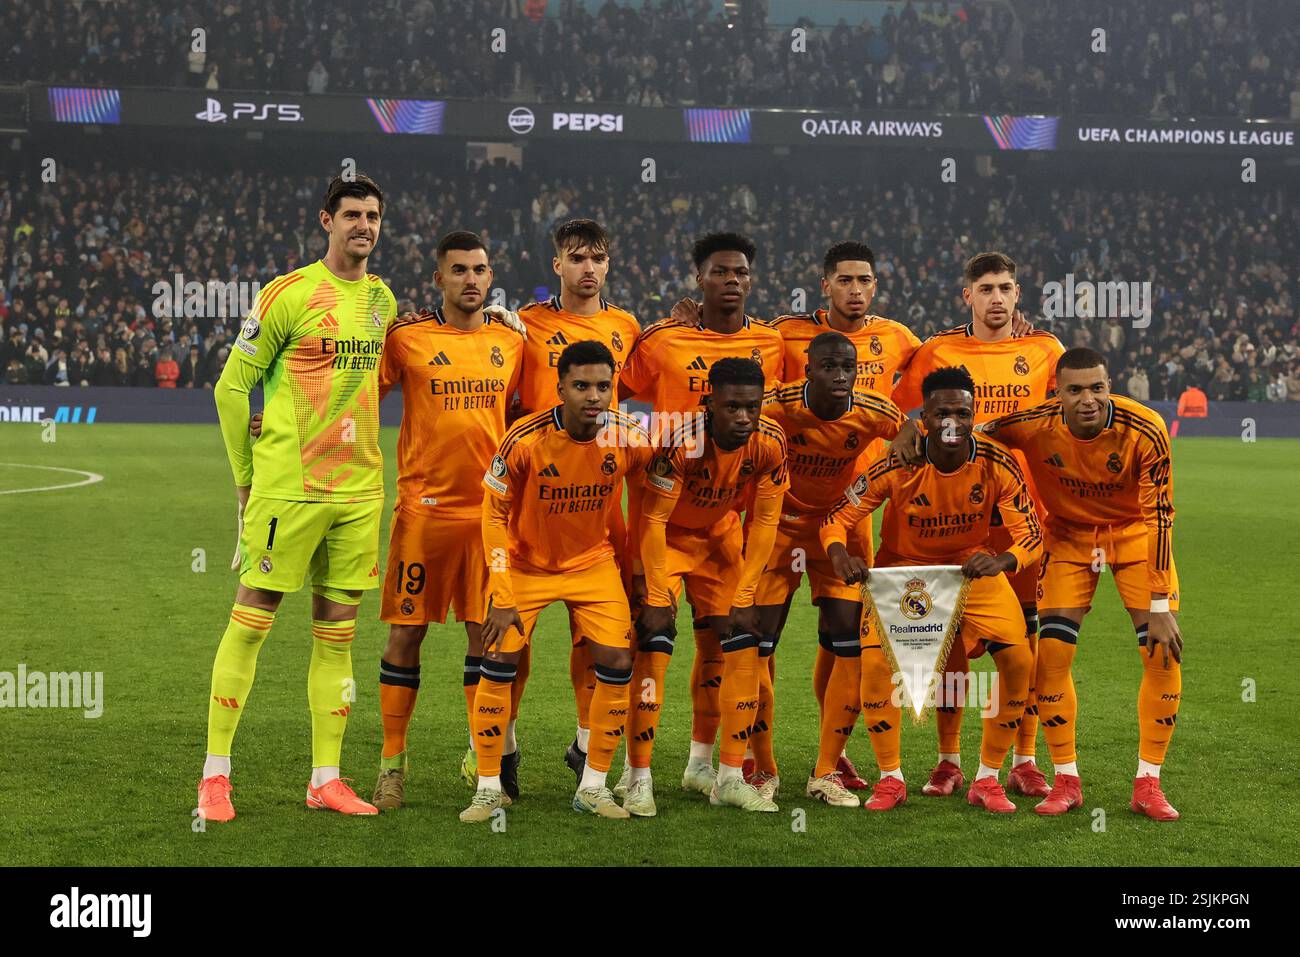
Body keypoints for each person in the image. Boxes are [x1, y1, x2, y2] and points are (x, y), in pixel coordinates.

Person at [195, 173, 397, 822]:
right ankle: (215, 775)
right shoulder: (290, 293)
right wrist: (246, 480)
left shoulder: (383, 301)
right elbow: (231, 389)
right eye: (352, 215)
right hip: (291, 488)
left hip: (361, 491)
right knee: (251, 622)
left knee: (338, 638)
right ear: (325, 221)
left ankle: (326, 778)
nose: (363, 225)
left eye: (373, 215)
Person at [821, 366, 1041, 812]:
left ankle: (987, 777)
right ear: (924, 417)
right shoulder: (898, 463)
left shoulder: (996, 462)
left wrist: (1002, 560)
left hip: (970, 572)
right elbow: (836, 519)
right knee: (876, 669)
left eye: (962, 413)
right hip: (904, 575)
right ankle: (890, 778)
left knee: (1019, 660)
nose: (952, 423)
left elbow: (1031, 535)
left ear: (974, 413)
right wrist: (840, 556)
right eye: (942, 413)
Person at [890, 251, 1064, 800]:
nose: (996, 297)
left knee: (1023, 644)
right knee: (949, 649)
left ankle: (1024, 757)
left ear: (1018, 294)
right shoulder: (938, 351)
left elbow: (1063, 420)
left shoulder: (1045, 350)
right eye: (985, 288)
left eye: (1005, 287)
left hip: (1020, 523)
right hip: (953, 519)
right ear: (967, 294)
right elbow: (900, 416)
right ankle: (948, 761)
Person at [982, 347, 1183, 820]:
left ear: (1109, 386)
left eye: (1097, 387)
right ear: (1058, 393)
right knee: (1051, 656)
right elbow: (978, 432)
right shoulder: (1034, 424)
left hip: (1135, 537)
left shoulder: (1146, 429)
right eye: (1075, 390)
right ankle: (1066, 779)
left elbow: (1159, 517)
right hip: (1069, 538)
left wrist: (1159, 602)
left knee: (1161, 648)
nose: (1088, 398)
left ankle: (1148, 784)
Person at [617, 232, 784, 796]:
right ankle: (633, 774)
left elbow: (776, 408)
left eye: (740, 272)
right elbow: (608, 387)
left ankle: (703, 765)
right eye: (719, 272)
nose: (731, 280)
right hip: (660, 516)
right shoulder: (663, 338)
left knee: (727, 646)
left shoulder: (772, 342)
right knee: (652, 646)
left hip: (721, 525)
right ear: (699, 278)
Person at [462, 340, 652, 822]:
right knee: (499, 655)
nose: (594, 396)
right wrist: (501, 594)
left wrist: (648, 575)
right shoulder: (524, 438)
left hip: (592, 564)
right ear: (560, 388)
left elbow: (662, 483)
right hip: (526, 566)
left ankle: (593, 786)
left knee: (616, 659)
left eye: (604, 387)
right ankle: (487, 787)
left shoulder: (630, 437)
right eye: (582, 386)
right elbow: (493, 515)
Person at [368, 231, 525, 810]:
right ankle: (392, 766)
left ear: (491, 276)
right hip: (423, 515)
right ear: (439, 278)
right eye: (458, 270)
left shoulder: (511, 342)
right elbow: (357, 395)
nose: (470, 279)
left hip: (487, 516)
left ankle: (482, 760)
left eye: (479, 269)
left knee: (487, 638)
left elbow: (533, 410)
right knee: (406, 633)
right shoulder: (407, 338)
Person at [512, 219, 643, 784]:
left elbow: (626, 398)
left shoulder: (627, 326)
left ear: (609, 264)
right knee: (512, 639)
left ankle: (588, 740)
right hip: (531, 502)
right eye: (575, 257)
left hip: (598, 503)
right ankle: (504, 744)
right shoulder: (525, 324)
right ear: (556, 266)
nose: (587, 268)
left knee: (599, 635)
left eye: (597, 258)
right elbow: (504, 397)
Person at [757, 331, 908, 806]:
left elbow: (905, 429)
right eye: (829, 366)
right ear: (808, 369)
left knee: (850, 644)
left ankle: (825, 771)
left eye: (849, 366)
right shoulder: (776, 405)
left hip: (841, 529)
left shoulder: (870, 408)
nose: (840, 375)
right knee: (757, 643)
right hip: (778, 527)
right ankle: (759, 764)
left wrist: (906, 445)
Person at [633, 357, 788, 814]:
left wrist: (745, 593)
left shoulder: (769, 442)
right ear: (708, 404)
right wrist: (658, 593)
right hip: (669, 539)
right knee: (655, 645)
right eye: (732, 407)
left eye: (752, 407)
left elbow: (764, 521)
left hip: (720, 538)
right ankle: (637, 776)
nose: (743, 418)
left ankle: (720, 774)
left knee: (739, 646)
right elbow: (653, 519)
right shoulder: (681, 441)